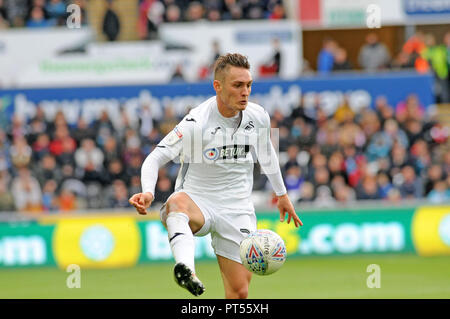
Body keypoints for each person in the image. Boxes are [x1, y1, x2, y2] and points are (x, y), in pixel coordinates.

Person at [129, 53, 302, 299]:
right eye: (238, 85)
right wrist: (148, 191)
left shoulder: (259, 116)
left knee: (239, 293)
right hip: (199, 200)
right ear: (217, 86)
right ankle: (185, 268)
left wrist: (282, 195)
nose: (245, 92)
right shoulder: (196, 123)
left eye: (249, 85)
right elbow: (154, 158)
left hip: (237, 207)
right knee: (176, 204)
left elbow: (267, 154)